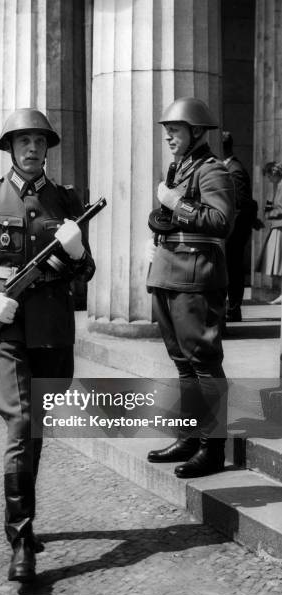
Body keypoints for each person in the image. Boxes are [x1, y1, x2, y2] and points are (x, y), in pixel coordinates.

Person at [0, 108, 95, 583]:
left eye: (40, 141)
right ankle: (22, 538)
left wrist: (76, 252)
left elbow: (85, 274)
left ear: (48, 148)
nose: (33, 149)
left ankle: (23, 522)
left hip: (52, 330)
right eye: (23, 141)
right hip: (5, 330)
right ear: (9, 147)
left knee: (37, 426)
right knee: (23, 420)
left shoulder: (66, 199)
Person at [146, 97, 235, 478]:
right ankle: (188, 436)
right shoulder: (179, 169)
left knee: (203, 364)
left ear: (196, 132)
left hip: (197, 279)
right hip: (169, 273)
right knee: (183, 364)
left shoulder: (212, 171)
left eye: (175, 130)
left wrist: (174, 200)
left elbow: (220, 221)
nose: (168, 136)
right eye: (167, 131)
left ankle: (212, 449)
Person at [222, 131, 263, 322]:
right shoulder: (230, 167)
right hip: (234, 229)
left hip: (235, 231)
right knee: (231, 268)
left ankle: (234, 308)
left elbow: (242, 203)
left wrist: (230, 230)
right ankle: (232, 308)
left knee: (233, 269)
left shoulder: (234, 169)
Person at [255, 161, 282, 305]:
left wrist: (270, 213)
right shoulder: (277, 186)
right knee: (276, 263)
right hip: (277, 226)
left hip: (280, 227)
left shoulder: (281, 186)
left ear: (274, 173)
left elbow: (280, 208)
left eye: (269, 176)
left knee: (278, 262)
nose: (269, 179)